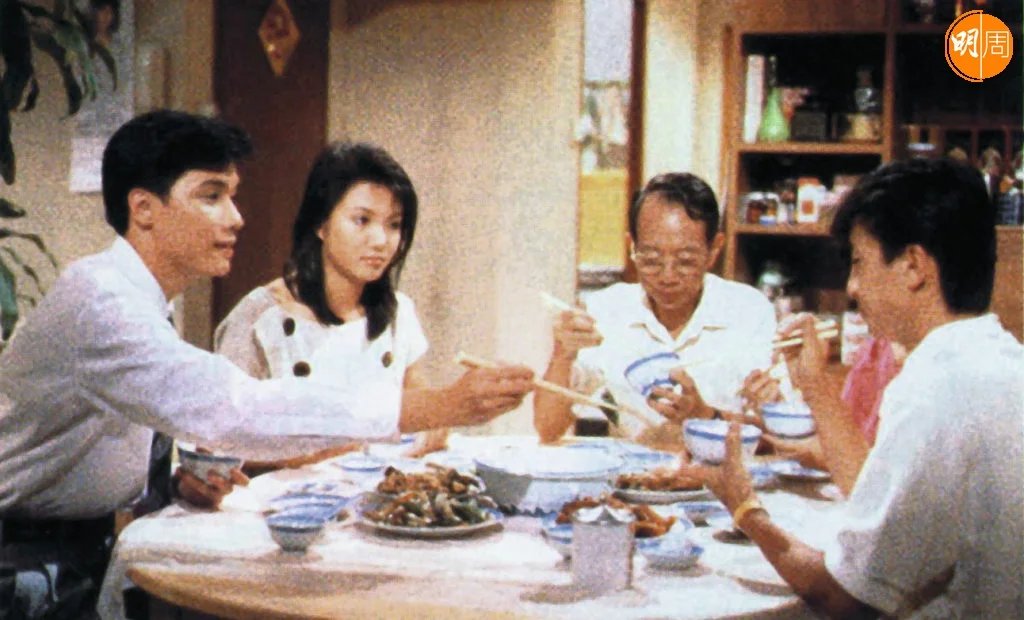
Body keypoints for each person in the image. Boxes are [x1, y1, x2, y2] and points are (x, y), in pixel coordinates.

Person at [0, 110, 533, 618]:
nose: (237, 218)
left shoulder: (140, 298)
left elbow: (130, 426)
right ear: (143, 208)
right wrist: (437, 406)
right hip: (25, 566)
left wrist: (177, 483)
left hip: (78, 547)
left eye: (232, 196)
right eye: (211, 196)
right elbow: (236, 409)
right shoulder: (103, 303)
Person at [689, 158, 1023, 618]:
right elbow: (876, 497)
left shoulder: (936, 389)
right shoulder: (998, 359)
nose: (851, 287)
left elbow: (845, 598)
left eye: (860, 263)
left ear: (913, 266)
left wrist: (744, 508)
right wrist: (814, 384)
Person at [214, 141, 535, 471]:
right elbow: (218, 447)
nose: (381, 241)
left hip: (382, 493)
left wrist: (441, 421)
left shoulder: (398, 312)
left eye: (394, 225)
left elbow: (419, 404)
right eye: (362, 220)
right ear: (321, 224)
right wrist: (317, 453)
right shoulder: (260, 317)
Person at [533, 172, 783, 448]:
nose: (667, 276)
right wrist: (562, 355)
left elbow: (781, 438)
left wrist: (704, 415)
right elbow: (548, 429)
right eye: (651, 260)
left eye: (685, 261)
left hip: (723, 473)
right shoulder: (606, 311)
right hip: (634, 472)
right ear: (632, 247)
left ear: (714, 249)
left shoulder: (748, 311)